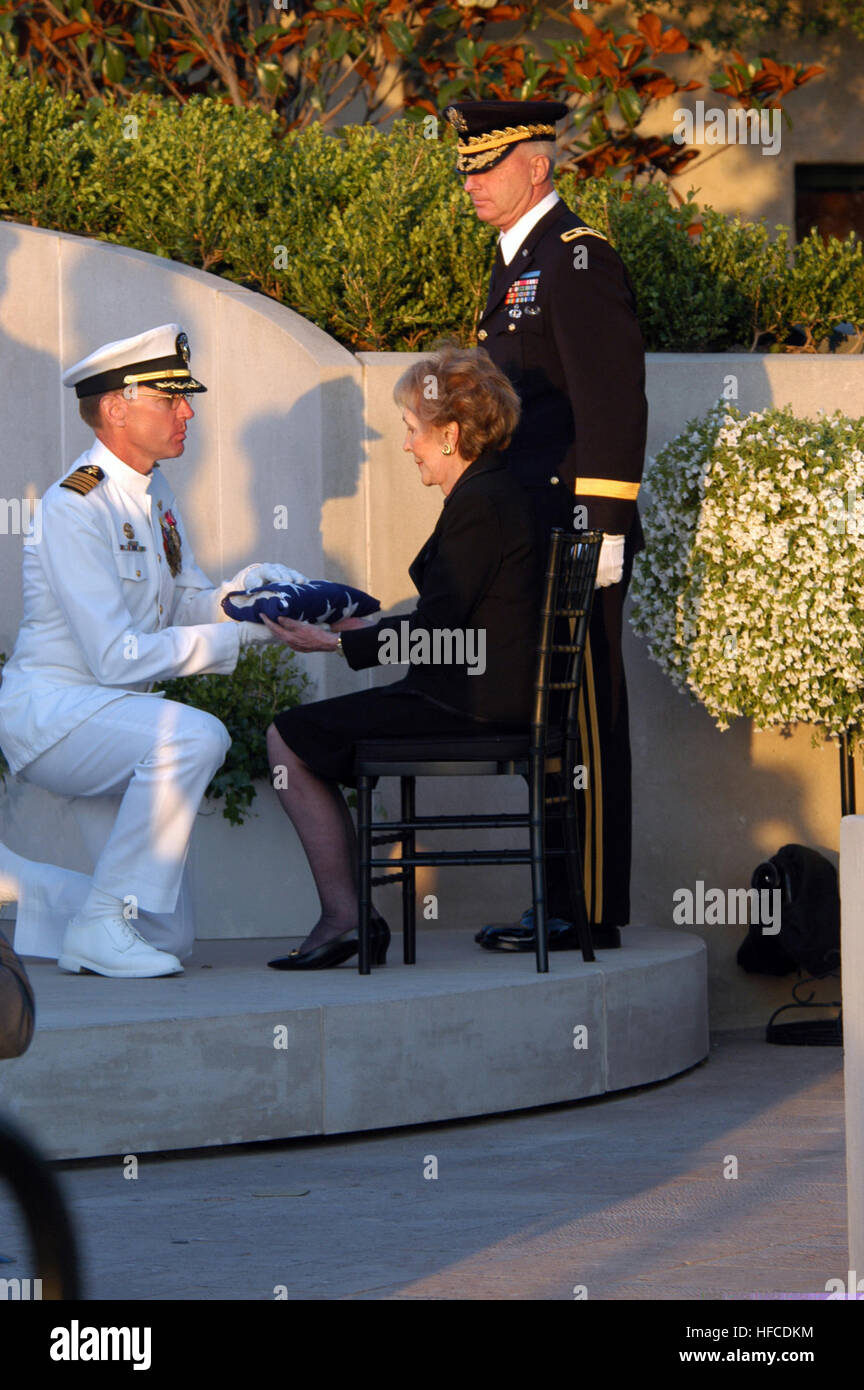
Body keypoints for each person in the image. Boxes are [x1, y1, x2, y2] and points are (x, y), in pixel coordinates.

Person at [0, 324, 294, 978]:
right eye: (171, 398)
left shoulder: (153, 495)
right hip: (54, 715)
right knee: (195, 736)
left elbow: (187, 599)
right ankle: (99, 925)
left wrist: (255, 597)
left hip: (112, 721)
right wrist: (248, 634)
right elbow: (116, 658)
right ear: (116, 408)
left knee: (168, 933)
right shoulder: (75, 505)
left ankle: (42, 892)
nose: (187, 411)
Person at [443, 100, 648, 953]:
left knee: (587, 715)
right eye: (465, 169)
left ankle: (588, 903)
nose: (473, 183)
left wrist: (602, 527)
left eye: (488, 165)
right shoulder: (513, 264)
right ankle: (558, 897)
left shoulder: (575, 258)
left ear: (538, 163)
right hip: (534, 526)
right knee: (550, 715)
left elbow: (611, 401)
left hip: (576, 528)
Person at [262, 346, 541, 969]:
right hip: (470, 693)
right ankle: (350, 917)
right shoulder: (486, 494)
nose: (407, 445)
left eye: (413, 431)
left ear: (450, 434)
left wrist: (336, 642)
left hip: (468, 704)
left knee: (288, 738)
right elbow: (453, 616)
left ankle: (347, 919)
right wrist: (361, 625)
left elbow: (442, 631)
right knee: (306, 735)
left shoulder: (482, 504)